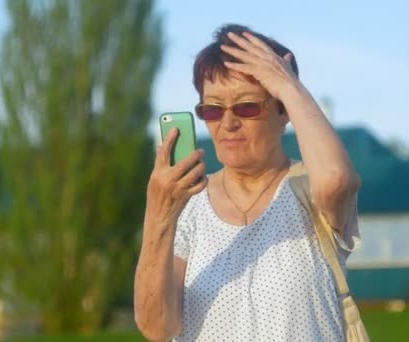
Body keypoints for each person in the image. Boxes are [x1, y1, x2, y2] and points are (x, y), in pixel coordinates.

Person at [134, 23, 362, 342]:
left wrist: (288, 84)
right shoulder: (188, 205)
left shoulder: (310, 188)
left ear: (284, 112)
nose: (228, 122)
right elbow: (156, 327)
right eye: (212, 109)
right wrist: (159, 215)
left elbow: (338, 180)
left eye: (246, 106)